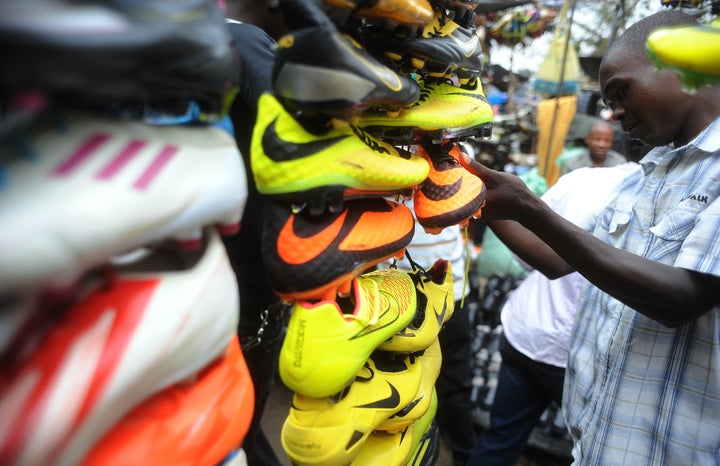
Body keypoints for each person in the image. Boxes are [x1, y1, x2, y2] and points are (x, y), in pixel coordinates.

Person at [459, 9, 720, 465]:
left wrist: (530, 207)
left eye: (621, 90)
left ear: (680, 68)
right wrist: (480, 196)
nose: (613, 113)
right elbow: (560, 261)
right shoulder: (642, 178)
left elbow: (682, 298)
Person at [470, 161, 641, 466]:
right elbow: (552, 263)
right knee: (589, 451)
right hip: (576, 356)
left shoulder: (582, 179)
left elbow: (537, 260)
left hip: (526, 331)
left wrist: (474, 198)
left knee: (500, 438)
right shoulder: (645, 192)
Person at [376, 201, 480, 466]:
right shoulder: (372, 161)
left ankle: (463, 456)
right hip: (394, 299)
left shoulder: (459, 158)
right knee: (391, 389)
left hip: (450, 295)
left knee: (454, 387)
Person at [560, 120, 626, 175]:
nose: (602, 145)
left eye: (607, 140)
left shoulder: (619, 164)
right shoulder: (573, 165)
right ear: (587, 140)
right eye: (597, 139)